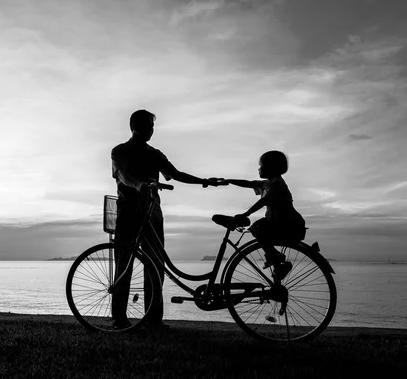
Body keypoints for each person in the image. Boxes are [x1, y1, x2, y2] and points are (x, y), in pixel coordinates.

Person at [111, 109, 223, 330]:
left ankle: (153, 319)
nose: (151, 130)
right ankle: (119, 319)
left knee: (155, 266)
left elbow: (176, 173)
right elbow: (123, 176)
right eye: (148, 126)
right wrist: (139, 185)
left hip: (152, 214)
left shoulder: (155, 154)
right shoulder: (119, 151)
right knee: (124, 266)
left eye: (153, 127)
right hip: (128, 214)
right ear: (134, 127)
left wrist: (203, 181)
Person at [225, 150, 306, 281]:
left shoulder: (277, 184)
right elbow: (248, 183)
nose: (258, 168)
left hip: (288, 226)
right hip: (280, 224)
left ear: (271, 166)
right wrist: (228, 181)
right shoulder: (268, 183)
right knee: (258, 227)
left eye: (261, 165)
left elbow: (264, 201)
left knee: (258, 227)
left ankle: (275, 257)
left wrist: (245, 214)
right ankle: (276, 262)